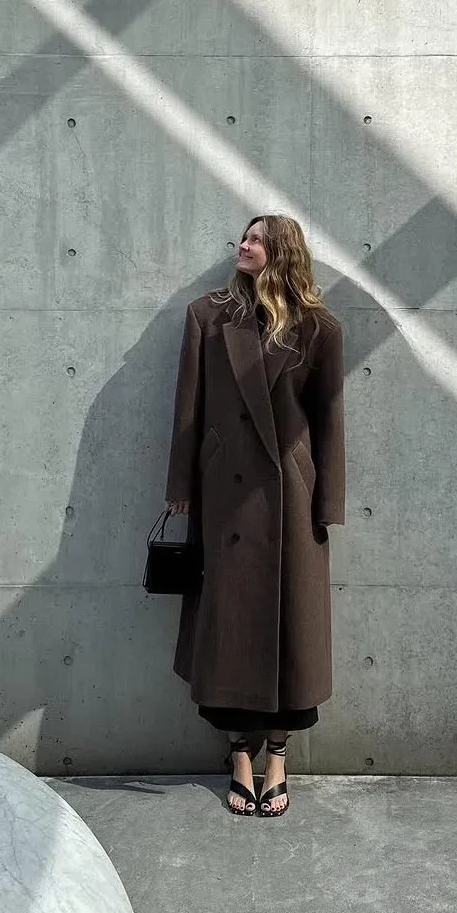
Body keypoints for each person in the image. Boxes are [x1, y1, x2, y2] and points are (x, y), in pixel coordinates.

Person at [164, 214, 346, 816]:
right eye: (243, 237)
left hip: (291, 497)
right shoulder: (208, 316)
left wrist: (328, 500)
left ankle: (278, 757)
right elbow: (188, 408)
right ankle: (240, 754)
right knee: (230, 627)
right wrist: (181, 485)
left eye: (257, 238)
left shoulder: (319, 327)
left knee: (292, 626)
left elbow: (329, 421)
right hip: (226, 493)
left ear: (282, 250)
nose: (243, 245)